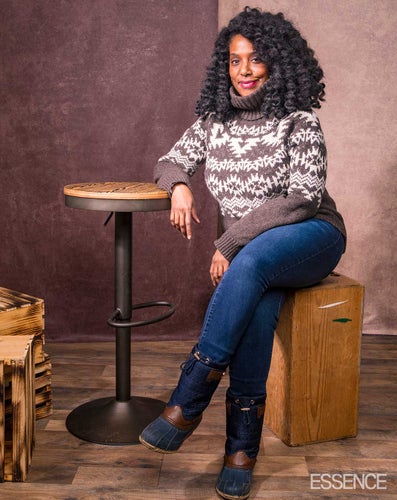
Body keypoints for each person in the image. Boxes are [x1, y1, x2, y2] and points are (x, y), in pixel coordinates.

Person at [139, 7, 346, 500]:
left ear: (277, 62)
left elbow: (302, 198)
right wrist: (179, 187)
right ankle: (241, 450)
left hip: (312, 235)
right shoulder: (214, 122)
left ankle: (188, 399)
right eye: (235, 61)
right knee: (257, 303)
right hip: (257, 255)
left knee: (250, 262)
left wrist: (229, 242)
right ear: (225, 66)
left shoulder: (299, 121)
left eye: (256, 59)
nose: (245, 70)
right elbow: (170, 160)